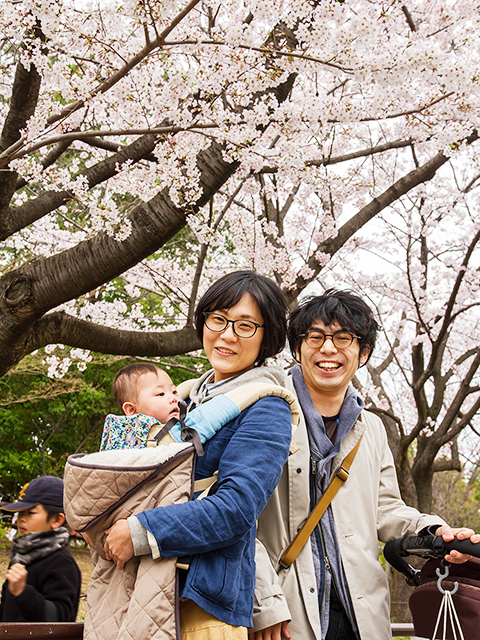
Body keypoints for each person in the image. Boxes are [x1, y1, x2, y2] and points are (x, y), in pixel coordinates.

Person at [252, 290, 480, 640]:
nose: (328, 349)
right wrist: (264, 601)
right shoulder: (265, 414)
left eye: (344, 338)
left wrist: (436, 532)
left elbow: (384, 509)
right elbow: (239, 518)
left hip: (360, 612)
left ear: (364, 353)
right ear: (297, 350)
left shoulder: (370, 427)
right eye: (315, 337)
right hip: (287, 611)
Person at [82, 270, 296, 640]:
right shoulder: (181, 400)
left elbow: (236, 509)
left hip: (201, 602)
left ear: (267, 336)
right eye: (218, 319)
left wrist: (139, 530)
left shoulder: (266, 408)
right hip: (143, 589)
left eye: (245, 326)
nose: (227, 335)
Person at [101, 362, 247, 450]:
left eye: (174, 391)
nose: (173, 398)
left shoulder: (116, 431)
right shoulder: (149, 431)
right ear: (131, 410)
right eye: (160, 394)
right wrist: (252, 391)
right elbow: (203, 421)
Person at [0, 475, 81, 622]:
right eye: (20, 512)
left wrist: (22, 592)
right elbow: (6, 611)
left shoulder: (62, 563)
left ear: (57, 520)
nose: (21, 519)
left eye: (30, 513)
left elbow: (61, 619)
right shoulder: (20, 556)